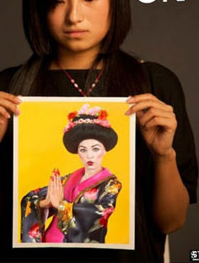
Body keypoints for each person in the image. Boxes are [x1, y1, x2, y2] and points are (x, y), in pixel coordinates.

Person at [0, 0, 197, 261]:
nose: (74, 15)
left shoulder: (155, 84)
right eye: (57, 1)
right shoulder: (9, 88)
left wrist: (164, 155)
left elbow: (172, 220)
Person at [19, 104, 122, 243]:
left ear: (105, 150)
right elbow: (30, 198)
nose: (89, 155)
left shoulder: (111, 184)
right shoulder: (67, 179)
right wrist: (44, 204)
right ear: (78, 153)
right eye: (83, 150)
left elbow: (98, 215)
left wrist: (61, 205)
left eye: (95, 149)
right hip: (48, 243)